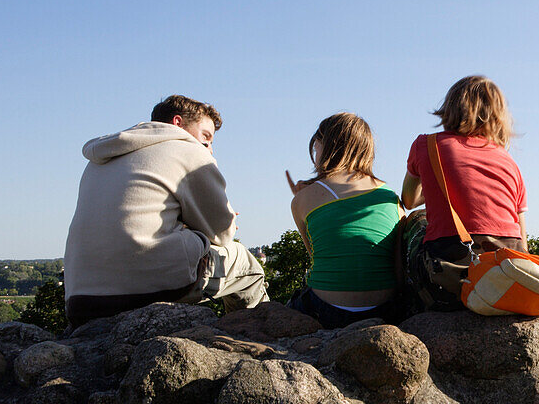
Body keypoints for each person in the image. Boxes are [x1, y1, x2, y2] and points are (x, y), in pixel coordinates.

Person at [63, 95, 268, 327]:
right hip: (144, 292)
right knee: (245, 265)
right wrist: (223, 221)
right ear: (178, 123)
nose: (209, 149)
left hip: (81, 301)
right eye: (206, 137)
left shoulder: (101, 157)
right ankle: (252, 335)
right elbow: (221, 233)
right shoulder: (188, 151)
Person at [401, 75, 528, 309]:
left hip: (450, 267)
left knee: (415, 220)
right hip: (505, 273)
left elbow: (408, 200)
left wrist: (438, 188)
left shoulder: (426, 145)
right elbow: (522, 235)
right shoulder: (509, 161)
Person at [285, 113, 403, 328]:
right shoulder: (392, 198)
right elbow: (396, 268)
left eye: (316, 146)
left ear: (323, 146)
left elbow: (319, 257)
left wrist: (301, 198)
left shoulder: (302, 199)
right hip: (386, 311)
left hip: (327, 312)